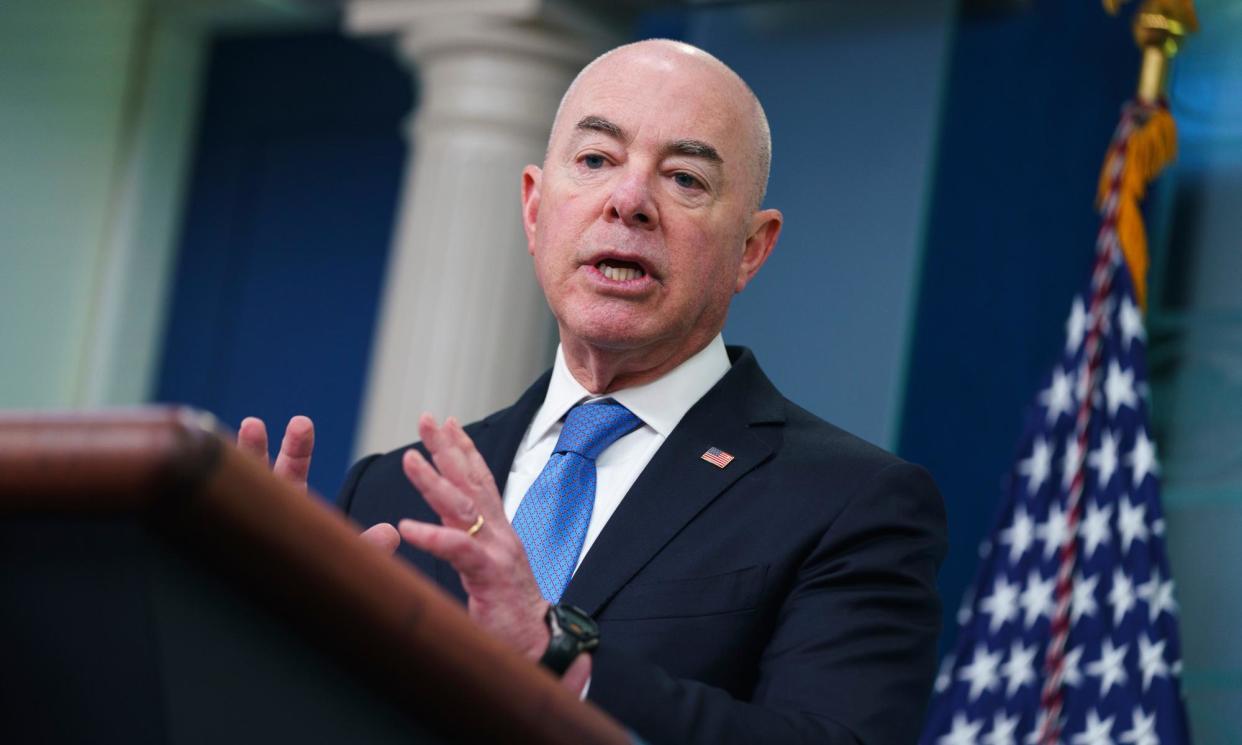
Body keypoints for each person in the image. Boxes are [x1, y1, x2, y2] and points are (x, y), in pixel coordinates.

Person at [239, 39, 947, 744]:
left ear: (751, 249)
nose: (629, 201)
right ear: (534, 208)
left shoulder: (850, 505)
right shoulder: (388, 492)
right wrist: (244, 640)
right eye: (596, 161)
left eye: (685, 179)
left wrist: (563, 659)